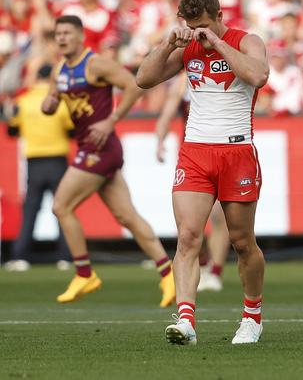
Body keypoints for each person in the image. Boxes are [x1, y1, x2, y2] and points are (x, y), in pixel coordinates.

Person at [136, 0, 269, 346]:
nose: (199, 33)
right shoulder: (187, 47)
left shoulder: (246, 40)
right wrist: (168, 44)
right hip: (195, 152)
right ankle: (186, 319)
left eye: (205, 25)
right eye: (192, 26)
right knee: (188, 237)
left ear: (219, 18)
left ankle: (252, 316)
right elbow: (143, 79)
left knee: (243, 242)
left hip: (237, 151)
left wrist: (217, 42)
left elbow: (258, 75)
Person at [43, 15, 175, 307]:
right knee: (127, 216)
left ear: (80, 36)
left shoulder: (96, 64)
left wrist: (111, 120)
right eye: (58, 33)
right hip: (91, 147)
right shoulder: (59, 70)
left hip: (100, 148)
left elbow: (134, 85)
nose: (62, 38)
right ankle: (169, 274)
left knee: (60, 205)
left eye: (67, 33)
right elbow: (52, 100)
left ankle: (84, 272)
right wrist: (49, 104)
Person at [155, 73, 230, 292]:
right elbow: (166, 115)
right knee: (190, 223)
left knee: (219, 216)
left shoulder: (224, 72)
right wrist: (160, 141)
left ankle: (215, 271)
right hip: (194, 158)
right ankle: (205, 264)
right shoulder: (183, 83)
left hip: (225, 153)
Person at [4, 64, 73, 271]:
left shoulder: (23, 102)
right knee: (63, 209)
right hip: (57, 160)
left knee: (31, 209)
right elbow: (71, 130)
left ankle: (21, 256)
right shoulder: (59, 101)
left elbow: (12, 130)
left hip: (33, 161)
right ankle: (66, 256)